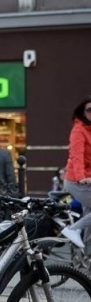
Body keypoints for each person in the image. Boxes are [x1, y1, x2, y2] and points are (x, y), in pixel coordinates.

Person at [61, 98, 91, 251]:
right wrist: (81, 177)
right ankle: (72, 229)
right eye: (90, 110)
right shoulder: (78, 130)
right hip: (76, 181)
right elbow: (76, 156)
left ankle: (87, 256)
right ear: (83, 112)